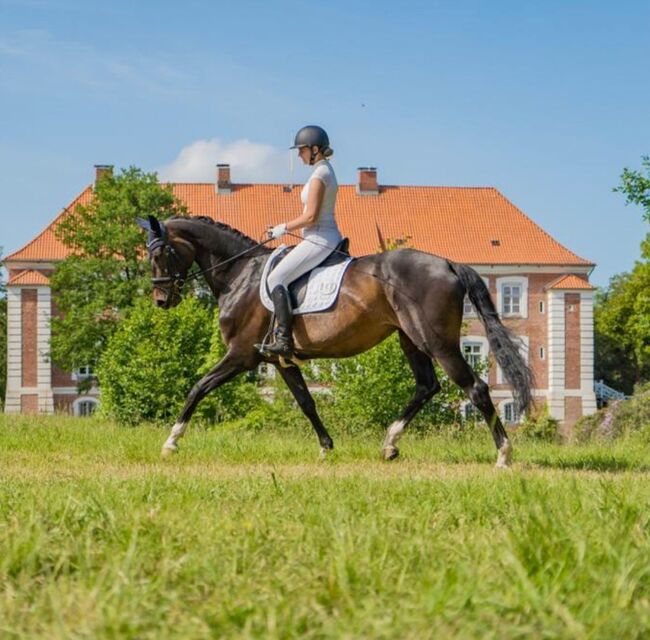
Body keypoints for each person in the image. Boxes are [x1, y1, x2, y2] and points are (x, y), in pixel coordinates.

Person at [259, 125, 343, 358]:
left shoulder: (321, 174)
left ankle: (284, 340)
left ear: (315, 149)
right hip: (316, 236)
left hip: (319, 238)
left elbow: (310, 216)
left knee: (276, 277)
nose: (299, 155)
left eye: (302, 150)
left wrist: (281, 228)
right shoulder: (321, 170)